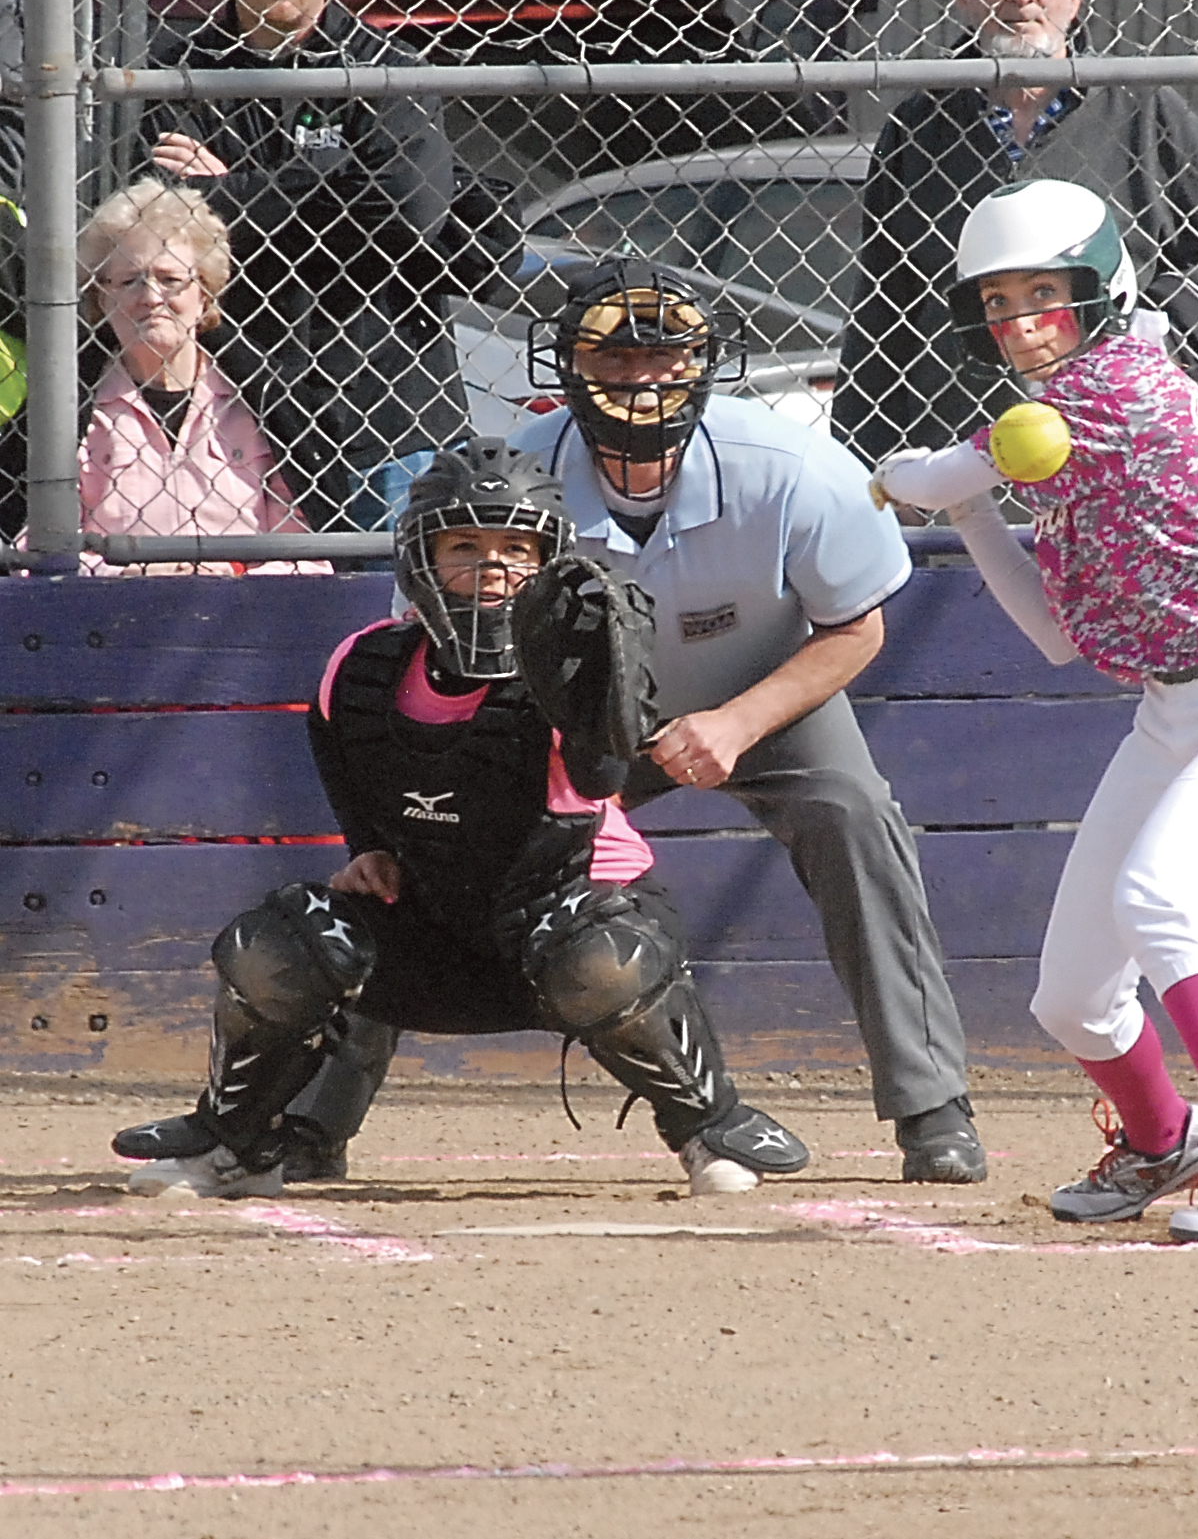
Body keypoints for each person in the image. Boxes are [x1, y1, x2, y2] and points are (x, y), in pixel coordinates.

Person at [117, 436, 811, 1199]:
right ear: (420, 558)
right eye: (464, 545)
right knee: (276, 941)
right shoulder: (364, 663)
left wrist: (597, 692)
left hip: (557, 924)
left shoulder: (570, 675)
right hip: (433, 929)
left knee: (603, 960)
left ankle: (707, 1127)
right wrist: (369, 848)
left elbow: (599, 776)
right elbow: (342, 749)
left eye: (516, 548)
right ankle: (238, 1139)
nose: (491, 568)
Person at [868, 179, 1198, 1241]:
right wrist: (967, 511)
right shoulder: (1055, 417)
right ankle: (1161, 1138)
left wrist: (896, 477)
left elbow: (931, 470)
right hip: (1175, 711)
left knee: (1162, 900)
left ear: (1101, 291)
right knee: (1072, 996)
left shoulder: (1118, 388)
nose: (1019, 321)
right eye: (999, 303)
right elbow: (1052, 629)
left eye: (1044, 292)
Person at [512, 258, 988, 1183]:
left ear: (703, 365)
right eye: (614, 361)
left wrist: (733, 723)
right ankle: (310, 1111)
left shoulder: (789, 463)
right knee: (460, 838)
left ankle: (933, 1107)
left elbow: (856, 628)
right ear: (568, 365)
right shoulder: (524, 472)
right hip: (583, 713)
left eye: (665, 359)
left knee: (854, 813)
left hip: (764, 688)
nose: (641, 381)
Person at [833, 0, 1198, 477]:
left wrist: (1143, 334)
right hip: (967, 453)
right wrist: (861, 464)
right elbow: (883, 302)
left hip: (1122, 452)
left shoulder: (1142, 108)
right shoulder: (922, 127)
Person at [139, 0, 462, 530]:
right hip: (236, 418)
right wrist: (330, 182)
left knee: (399, 617)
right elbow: (160, 232)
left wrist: (231, 194)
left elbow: (411, 215)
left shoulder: (386, 67)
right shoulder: (172, 70)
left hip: (387, 420)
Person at [74, 180, 325, 575]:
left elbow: (309, 551)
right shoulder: (74, 411)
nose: (151, 297)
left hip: (246, 619)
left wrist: (236, 578)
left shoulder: (264, 401)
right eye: (128, 281)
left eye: (170, 279)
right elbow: (33, 549)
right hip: (104, 621)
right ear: (101, 299)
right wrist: (125, 575)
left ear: (204, 294)